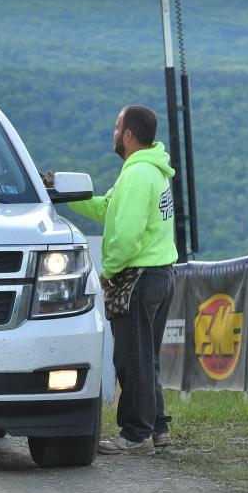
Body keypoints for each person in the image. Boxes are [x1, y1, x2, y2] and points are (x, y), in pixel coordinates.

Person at [68, 105, 179, 455]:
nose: (113, 133)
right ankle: (157, 427)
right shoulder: (152, 171)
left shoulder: (135, 176)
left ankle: (134, 434)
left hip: (139, 278)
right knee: (148, 357)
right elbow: (106, 208)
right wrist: (67, 195)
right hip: (161, 274)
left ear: (128, 135)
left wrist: (109, 271)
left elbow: (127, 237)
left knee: (131, 358)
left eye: (116, 127)